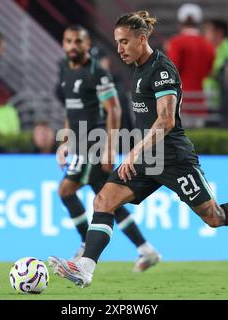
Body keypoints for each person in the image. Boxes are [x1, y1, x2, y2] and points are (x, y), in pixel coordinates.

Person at [48, 11, 228, 288]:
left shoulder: (162, 69)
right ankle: (85, 268)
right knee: (103, 201)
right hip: (149, 157)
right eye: (117, 42)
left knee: (214, 217)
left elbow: (166, 120)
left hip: (173, 157)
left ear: (141, 38)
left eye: (124, 42)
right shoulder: (137, 68)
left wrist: (133, 152)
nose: (119, 49)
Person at [54, 25, 160, 270]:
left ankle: (84, 245)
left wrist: (110, 148)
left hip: (94, 144)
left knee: (66, 190)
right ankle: (146, 250)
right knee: (108, 201)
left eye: (77, 42)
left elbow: (114, 109)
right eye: (68, 41)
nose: (72, 46)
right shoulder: (64, 71)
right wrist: (65, 141)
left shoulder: (97, 73)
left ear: (87, 44)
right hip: (79, 143)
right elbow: (71, 111)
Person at [164, 3, 214, 113]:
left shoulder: (175, 43)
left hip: (180, 101)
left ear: (180, 22)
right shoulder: (208, 45)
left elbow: (172, 71)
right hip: (201, 101)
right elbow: (210, 71)